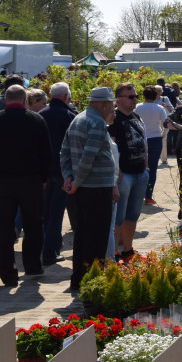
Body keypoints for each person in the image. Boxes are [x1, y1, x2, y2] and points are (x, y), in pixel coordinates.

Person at [0, 84, 51, 287]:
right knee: (33, 224)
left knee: (4, 227)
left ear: (4, 101)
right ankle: (32, 266)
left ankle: (8, 274)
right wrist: (43, 178)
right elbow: (46, 152)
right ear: (25, 101)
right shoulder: (36, 119)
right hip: (30, 180)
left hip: (3, 180)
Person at [60, 87, 118, 289]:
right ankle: (91, 282)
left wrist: (68, 176)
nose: (112, 108)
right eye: (111, 105)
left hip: (82, 187)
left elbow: (64, 152)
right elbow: (88, 157)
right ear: (103, 104)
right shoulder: (97, 123)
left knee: (82, 235)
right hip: (95, 188)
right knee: (97, 238)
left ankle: (79, 279)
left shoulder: (78, 119)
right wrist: (75, 181)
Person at [107, 82, 148, 261]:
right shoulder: (113, 119)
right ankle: (114, 252)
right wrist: (117, 172)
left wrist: (146, 166)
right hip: (124, 175)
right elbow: (110, 149)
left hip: (140, 172)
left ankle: (128, 250)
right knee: (118, 216)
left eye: (135, 96)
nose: (134, 100)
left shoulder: (136, 117)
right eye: (131, 97)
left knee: (133, 214)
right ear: (119, 99)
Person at [38, 82, 76, 266]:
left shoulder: (39, 116)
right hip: (63, 171)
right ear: (66, 97)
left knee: (45, 212)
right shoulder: (70, 116)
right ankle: (50, 252)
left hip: (43, 171)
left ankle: (47, 246)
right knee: (56, 213)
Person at [135, 86, 167, 206]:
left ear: (144, 95)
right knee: (152, 168)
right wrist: (163, 134)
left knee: (139, 167)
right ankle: (148, 195)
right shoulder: (159, 108)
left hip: (140, 138)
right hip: (155, 138)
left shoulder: (137, 107)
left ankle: (139, 193)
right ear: (156, 96)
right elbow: (165, 123)